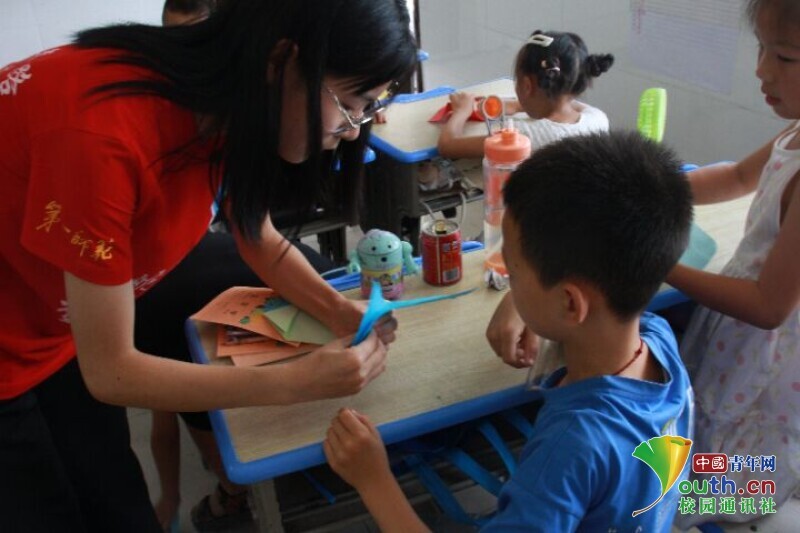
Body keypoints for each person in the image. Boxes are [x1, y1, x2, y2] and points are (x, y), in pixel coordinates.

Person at [0, 1, 417, 531]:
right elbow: (111, 371)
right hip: (15, 339)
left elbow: (257, 236)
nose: (353, 131)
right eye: (351, 103)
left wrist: (338, 311)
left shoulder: (227, 102)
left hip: (55, 327)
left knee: (115, 503)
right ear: (281, 62)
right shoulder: (100, 137)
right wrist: (293, 382)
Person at [324, 131, 695, 532]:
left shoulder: (570, 447)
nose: (508, 285)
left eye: (513, 273)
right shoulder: (658, 338)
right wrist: (528, 306)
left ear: (570, 304)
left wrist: (374, 480)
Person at [665, 0, 800, 527]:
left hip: (769, 350)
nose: (761, 69)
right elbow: (739, 176)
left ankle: (724, 511)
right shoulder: (794, 132)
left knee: (742, 470)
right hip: (741, 335)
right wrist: (650, 187)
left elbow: (769, 306)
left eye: (784, 56)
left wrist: (661, 265)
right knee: (709, 433)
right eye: (762, 48)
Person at [436, 30, 614, 160]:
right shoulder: (598, 119)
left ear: (527, 86)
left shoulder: (522, 136)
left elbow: (448, 146)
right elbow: (568, 101)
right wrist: (516, 106)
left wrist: (462, 111)